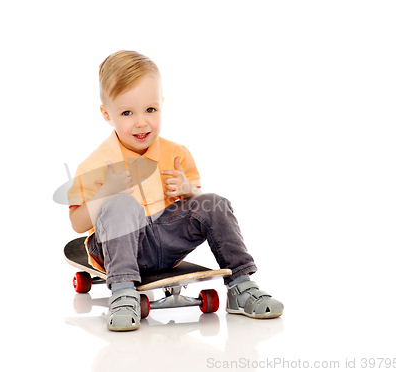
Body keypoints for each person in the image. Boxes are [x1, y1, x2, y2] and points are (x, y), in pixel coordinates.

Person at [67, 50, 283, 331]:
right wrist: (107, 191)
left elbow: (197, 210)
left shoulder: (176, 153)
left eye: (151, 109)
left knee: (214, 203)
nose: (141, 122)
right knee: (122, 205)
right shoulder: (95, 164)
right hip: (114, 245)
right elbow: (77, 223)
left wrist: (188, 189)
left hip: (166, 241)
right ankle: (122, 292)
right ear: (107, 114)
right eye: (127, 113)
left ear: (162, 104)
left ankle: (241, 286)